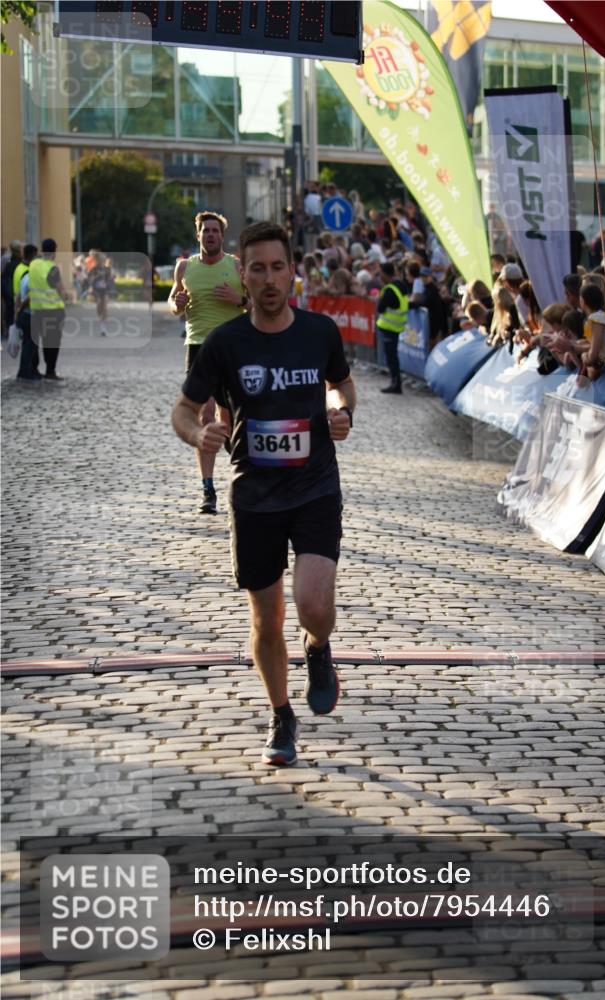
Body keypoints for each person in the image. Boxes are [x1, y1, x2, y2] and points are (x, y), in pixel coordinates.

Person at [171, 221, 356, 767]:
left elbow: (342, 385)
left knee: (314, 605)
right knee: (266, 618)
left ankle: (319, 647)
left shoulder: (320, 331)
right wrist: (196, 432)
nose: (269, 278)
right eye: (258, 269)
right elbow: (183, 410)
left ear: (292, 272)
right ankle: (281, 715)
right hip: (253, 494)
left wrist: (340, 410)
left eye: (278, 267)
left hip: (316, 484)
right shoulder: (225, 343)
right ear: (242, 275)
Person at [168, 211, 246, 515]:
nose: (210, 235)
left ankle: (237, 464)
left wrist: (237, 300)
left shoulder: (237, 267)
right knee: (206, 415)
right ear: (198, 235)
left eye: (215, 231)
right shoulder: (184, 267)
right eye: (205, 231)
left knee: (230, 420)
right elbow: (174, 303)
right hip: (199, 346)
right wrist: (176, 304)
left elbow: (255, 308)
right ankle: (208, 488)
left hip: (232, 347)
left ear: (221, 236)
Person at [29, 238, 68, 382]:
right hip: (53, 311)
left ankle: (34, 369)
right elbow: (61, 291)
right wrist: (66, 297)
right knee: (51, 343)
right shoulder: (52, 268)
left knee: (35, 341)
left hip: (36, 310)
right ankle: (50, 371)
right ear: (54, 251)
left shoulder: (33, 264)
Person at [376, 261, 409, 394]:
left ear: (384, 273)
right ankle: (396, 383)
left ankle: (396, 384)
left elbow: (380, 308)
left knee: (391, 358)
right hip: (397, 327)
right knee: (393, 357)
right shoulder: (401, 285)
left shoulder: (389, 290)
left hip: (389, 327)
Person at [14, 243, 40, 383]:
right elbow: (29, 297)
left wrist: (17, 311)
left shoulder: (25, 274)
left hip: (25, 315)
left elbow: (18, 295)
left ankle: (25, 371)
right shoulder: (32, 276)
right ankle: (25, 372)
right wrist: (20, 309)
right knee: (29, 346)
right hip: (30, 314)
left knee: (28, 344)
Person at [87, 250, 113, 336]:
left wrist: (109, 287)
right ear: (97, 260)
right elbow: (89, 280)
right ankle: (100, 317)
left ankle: (103, 327)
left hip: (104, 290)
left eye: (103, 259)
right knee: (99, 306)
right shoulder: (93, 269)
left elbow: (109, 280)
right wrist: (92, 283)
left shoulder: (107, 269)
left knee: (104, 307)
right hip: (96, 290)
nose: (102, 261)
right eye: (101, 259)